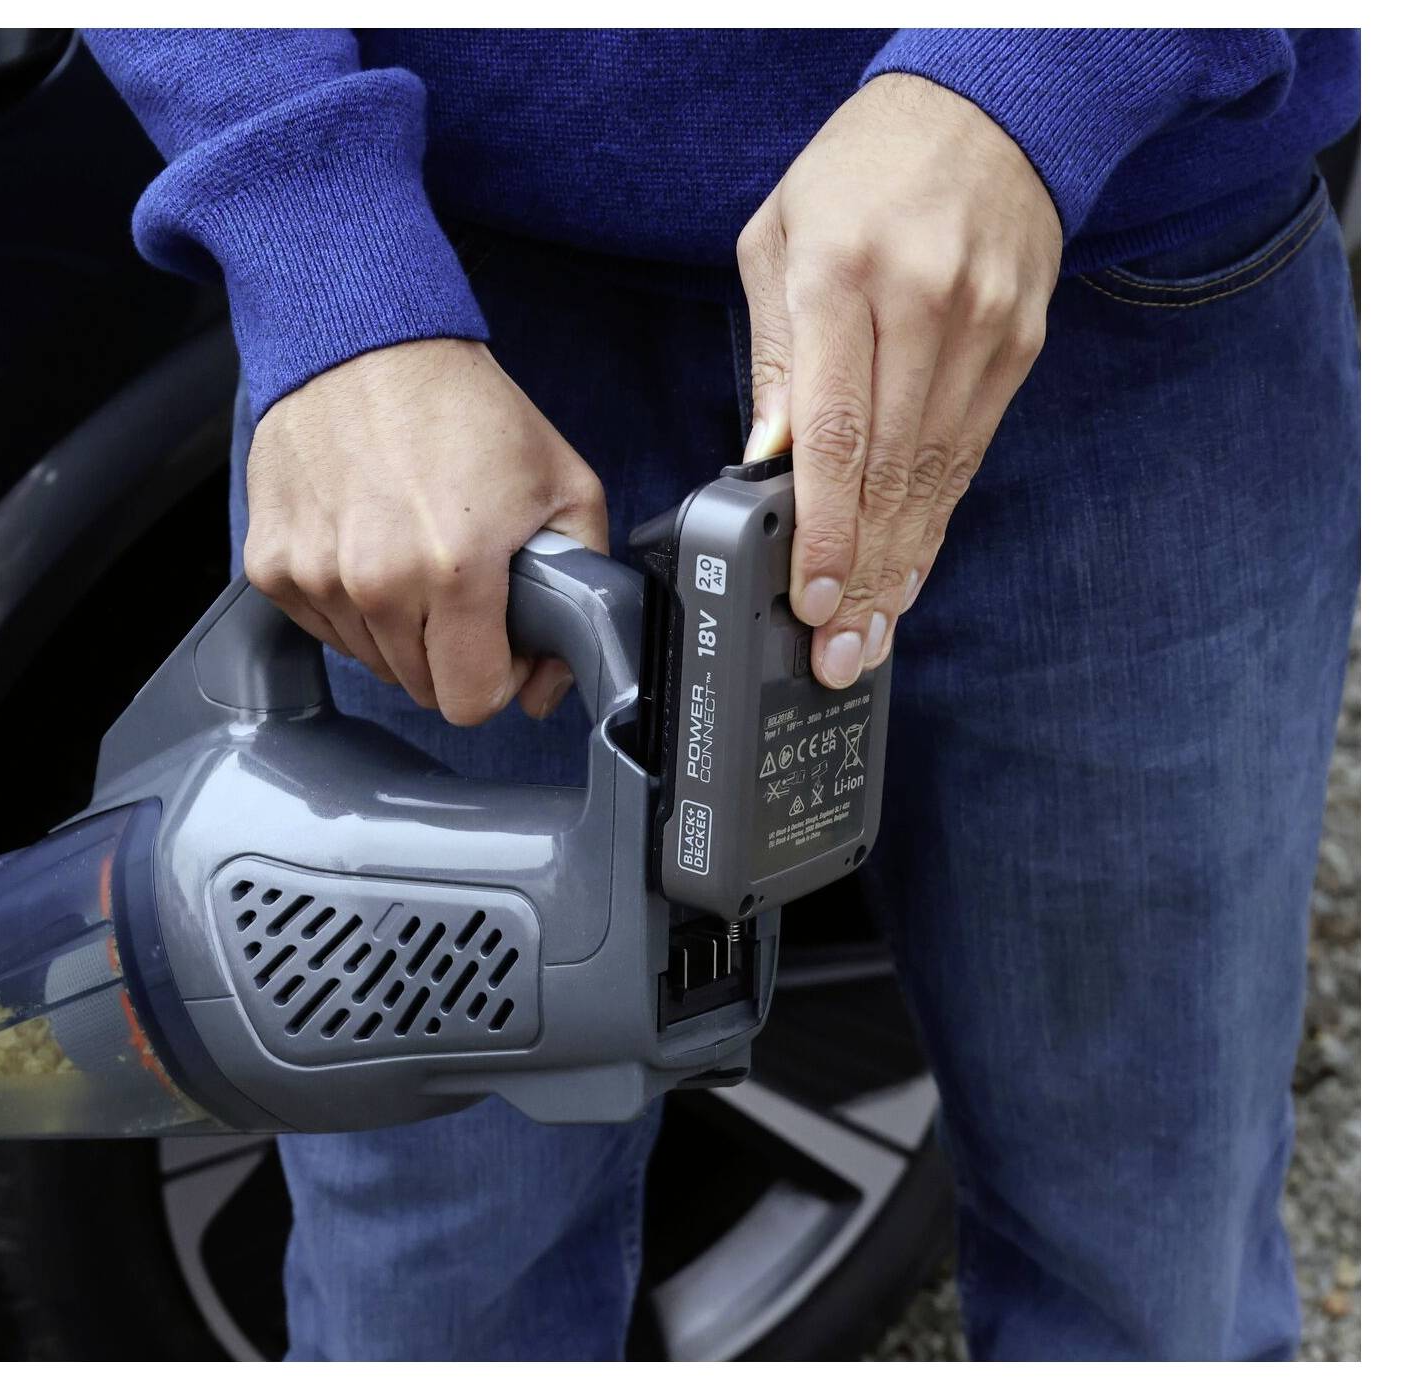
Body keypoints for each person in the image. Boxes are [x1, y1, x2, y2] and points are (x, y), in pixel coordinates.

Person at [83, 29, 1361, 1360]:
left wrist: (1041, 64)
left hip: (1106, 281)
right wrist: (312, 242)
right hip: (444, 372)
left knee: (1147, 1260)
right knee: (431, 1296)